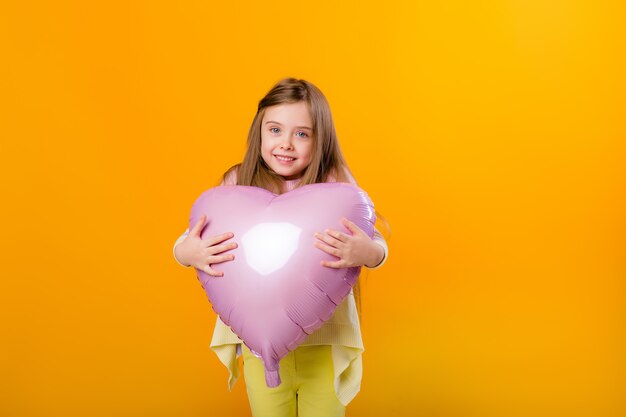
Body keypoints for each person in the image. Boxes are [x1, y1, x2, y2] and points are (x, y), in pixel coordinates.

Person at [173, 78, 389, 417]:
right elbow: (190, 240)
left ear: (321, 139)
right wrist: (187, 253)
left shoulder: (334, 182)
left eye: (302, 134)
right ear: (259, 132)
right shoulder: (237, 182)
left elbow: (373, 241)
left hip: (325, 345)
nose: (286, 144)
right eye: (275, 130)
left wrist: (370, 253)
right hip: (259, 346)